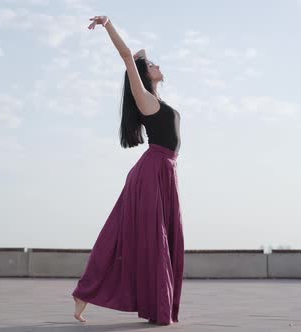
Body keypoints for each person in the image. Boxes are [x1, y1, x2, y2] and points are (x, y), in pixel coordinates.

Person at [70, 15, 184, 326]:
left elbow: (140, 54)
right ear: (144, 77)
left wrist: (143, 59)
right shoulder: (144, 98)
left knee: (157, 240)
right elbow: (127, 56)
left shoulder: (156, 99)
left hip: (164, 173)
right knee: (129, 237)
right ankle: (86, 293)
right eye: (153, 65)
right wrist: (108, 26)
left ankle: (138, 301)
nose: (158, 66)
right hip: (152, 173)